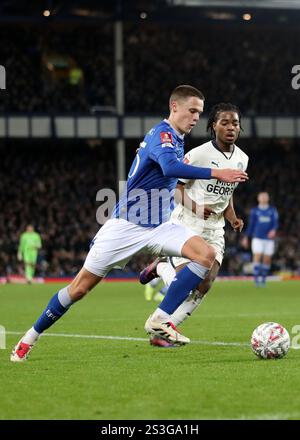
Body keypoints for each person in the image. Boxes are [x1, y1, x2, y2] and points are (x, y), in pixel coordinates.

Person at [10, 85, 248, 362]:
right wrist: (218, 172)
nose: (196, 117)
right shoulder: (164, 135)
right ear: (174, 107)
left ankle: (160, 319)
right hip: (126, 226)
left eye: (199, 112)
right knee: (79, 289)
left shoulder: (174, 137)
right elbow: (171, 169)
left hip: (160, 225)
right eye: (192, 111)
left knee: (206, 255)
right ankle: (29, 338)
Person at [140, 102, 249, 347]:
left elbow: (227, 191)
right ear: (213, 127)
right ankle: (161, 269)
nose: (231, 127)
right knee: (186, 282)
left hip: (215, 229)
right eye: (224, 122)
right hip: (187, 223)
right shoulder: (198, 155)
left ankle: (162, 333)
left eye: (235, 123)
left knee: (205, 284)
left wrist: (232, 216)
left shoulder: (243, 158)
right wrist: (197, 209)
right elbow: (176, 190)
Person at [242, 192, 278, 287]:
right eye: (261, 197)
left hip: (269, 239)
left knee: (267, 259)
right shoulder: (255, 211)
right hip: (257, 237)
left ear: (268, 198)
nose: (263, 198)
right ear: (258, 199)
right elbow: (251, 225)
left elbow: (275, 223)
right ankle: (257, 279)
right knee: (257, 257)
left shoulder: (272, 210)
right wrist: (246, 237)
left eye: (265, 196)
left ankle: (263, 279)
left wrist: (273, 230)